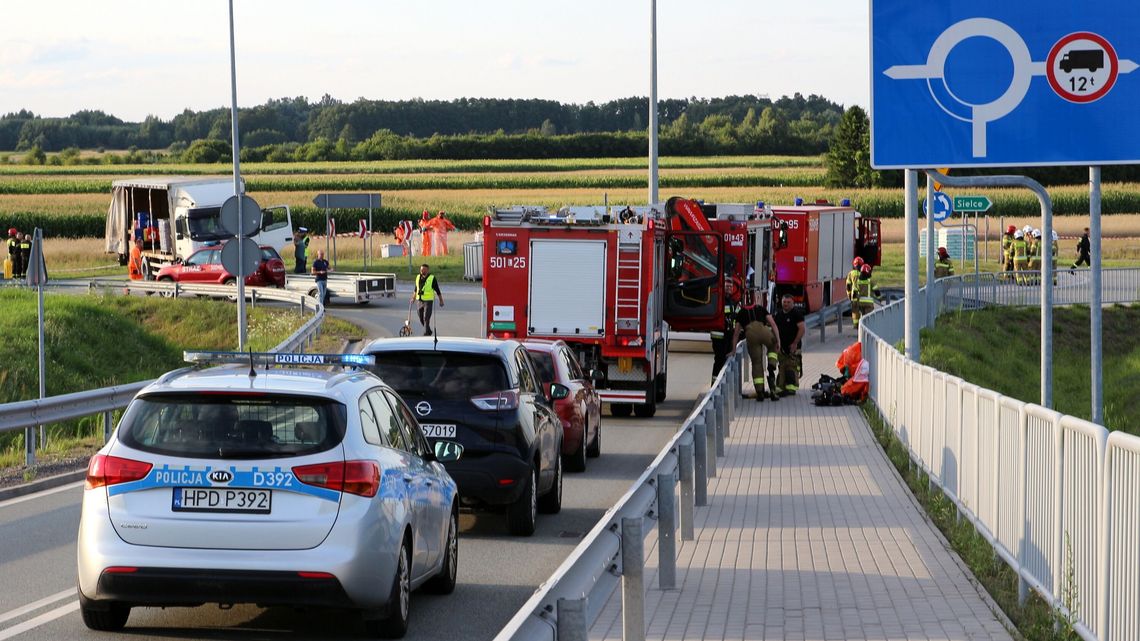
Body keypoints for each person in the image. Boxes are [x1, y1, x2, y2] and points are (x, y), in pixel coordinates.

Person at [732, 291, 782, 401]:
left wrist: (733, 350)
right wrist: (778, 341)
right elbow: (773, 324)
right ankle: (771, 364)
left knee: (756, 363)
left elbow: (736, 333)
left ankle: (760, 392)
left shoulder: (741, 313)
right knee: (773, 344)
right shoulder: (761, 308)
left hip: (750, 335)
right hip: (763, 331)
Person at [772, 293, 806, 395]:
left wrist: (795, 343)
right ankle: (781, 387)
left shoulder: (796, 314)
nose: (786, 304)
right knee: (782, 367)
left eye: (788, 302)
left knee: (791, 367)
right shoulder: (778, 314)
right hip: (782, 348)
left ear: (793, 303)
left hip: (793, 347)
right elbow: (774, 329)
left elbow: (802, 329)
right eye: (784, 302)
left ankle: (791, 388)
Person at [412, 263, 444, 336]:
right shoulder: (418, 277)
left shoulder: (432, 278)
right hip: (419, 300)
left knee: (426, 318)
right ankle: (428, 330)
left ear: (427, 270)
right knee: (421, 318)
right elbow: (416, 288)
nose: (421, 271)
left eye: (423, 270)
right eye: (421, 269)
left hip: (428, 301)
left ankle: (426, 333)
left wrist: (441, 300)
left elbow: (438, 290)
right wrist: (413, 298)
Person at [846, 257, 865, 325]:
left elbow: (848, 286)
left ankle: (856, 325)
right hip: (863, 296)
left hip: (854, 296)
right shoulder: (864, 273)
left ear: (854, 264)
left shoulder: (851, 274)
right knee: (864, 311)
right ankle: (863, 324)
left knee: (855, 311)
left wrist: (849, 295)